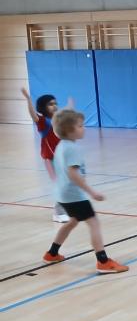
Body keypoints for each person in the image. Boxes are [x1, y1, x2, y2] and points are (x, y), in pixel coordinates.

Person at [42, 109, 129, 274]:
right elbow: (73, 174)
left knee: (72, 221)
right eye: (80, 126)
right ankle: (103, 261)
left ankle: (52, 253)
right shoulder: (73, 149)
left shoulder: (61, 145)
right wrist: (92, 192)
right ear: (69, 130)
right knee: (94, 223)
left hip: (62, 195)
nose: (84, 128)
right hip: (74, 195)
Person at [21, 87, 71, 223]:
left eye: (55, 103)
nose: (54, 106)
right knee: (60, 184)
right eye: (50, 104)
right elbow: (33, 115)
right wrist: (28, 99)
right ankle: (59, 213)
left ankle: (63, 209)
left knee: (67, 183)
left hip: (62, 158)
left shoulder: (58, 119)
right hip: (50, 158)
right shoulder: (43, 122)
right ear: (43, 107)